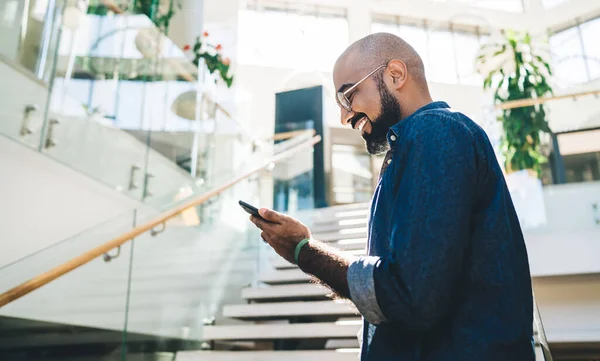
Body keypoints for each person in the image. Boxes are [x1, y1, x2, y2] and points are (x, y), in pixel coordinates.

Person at [249, 33, 535, 361]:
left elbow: (411, 295)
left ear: (395, 75)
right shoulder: (419, 144)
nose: (344, 116)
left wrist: (304, 250)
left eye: (348, 96)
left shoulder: (436, 132)